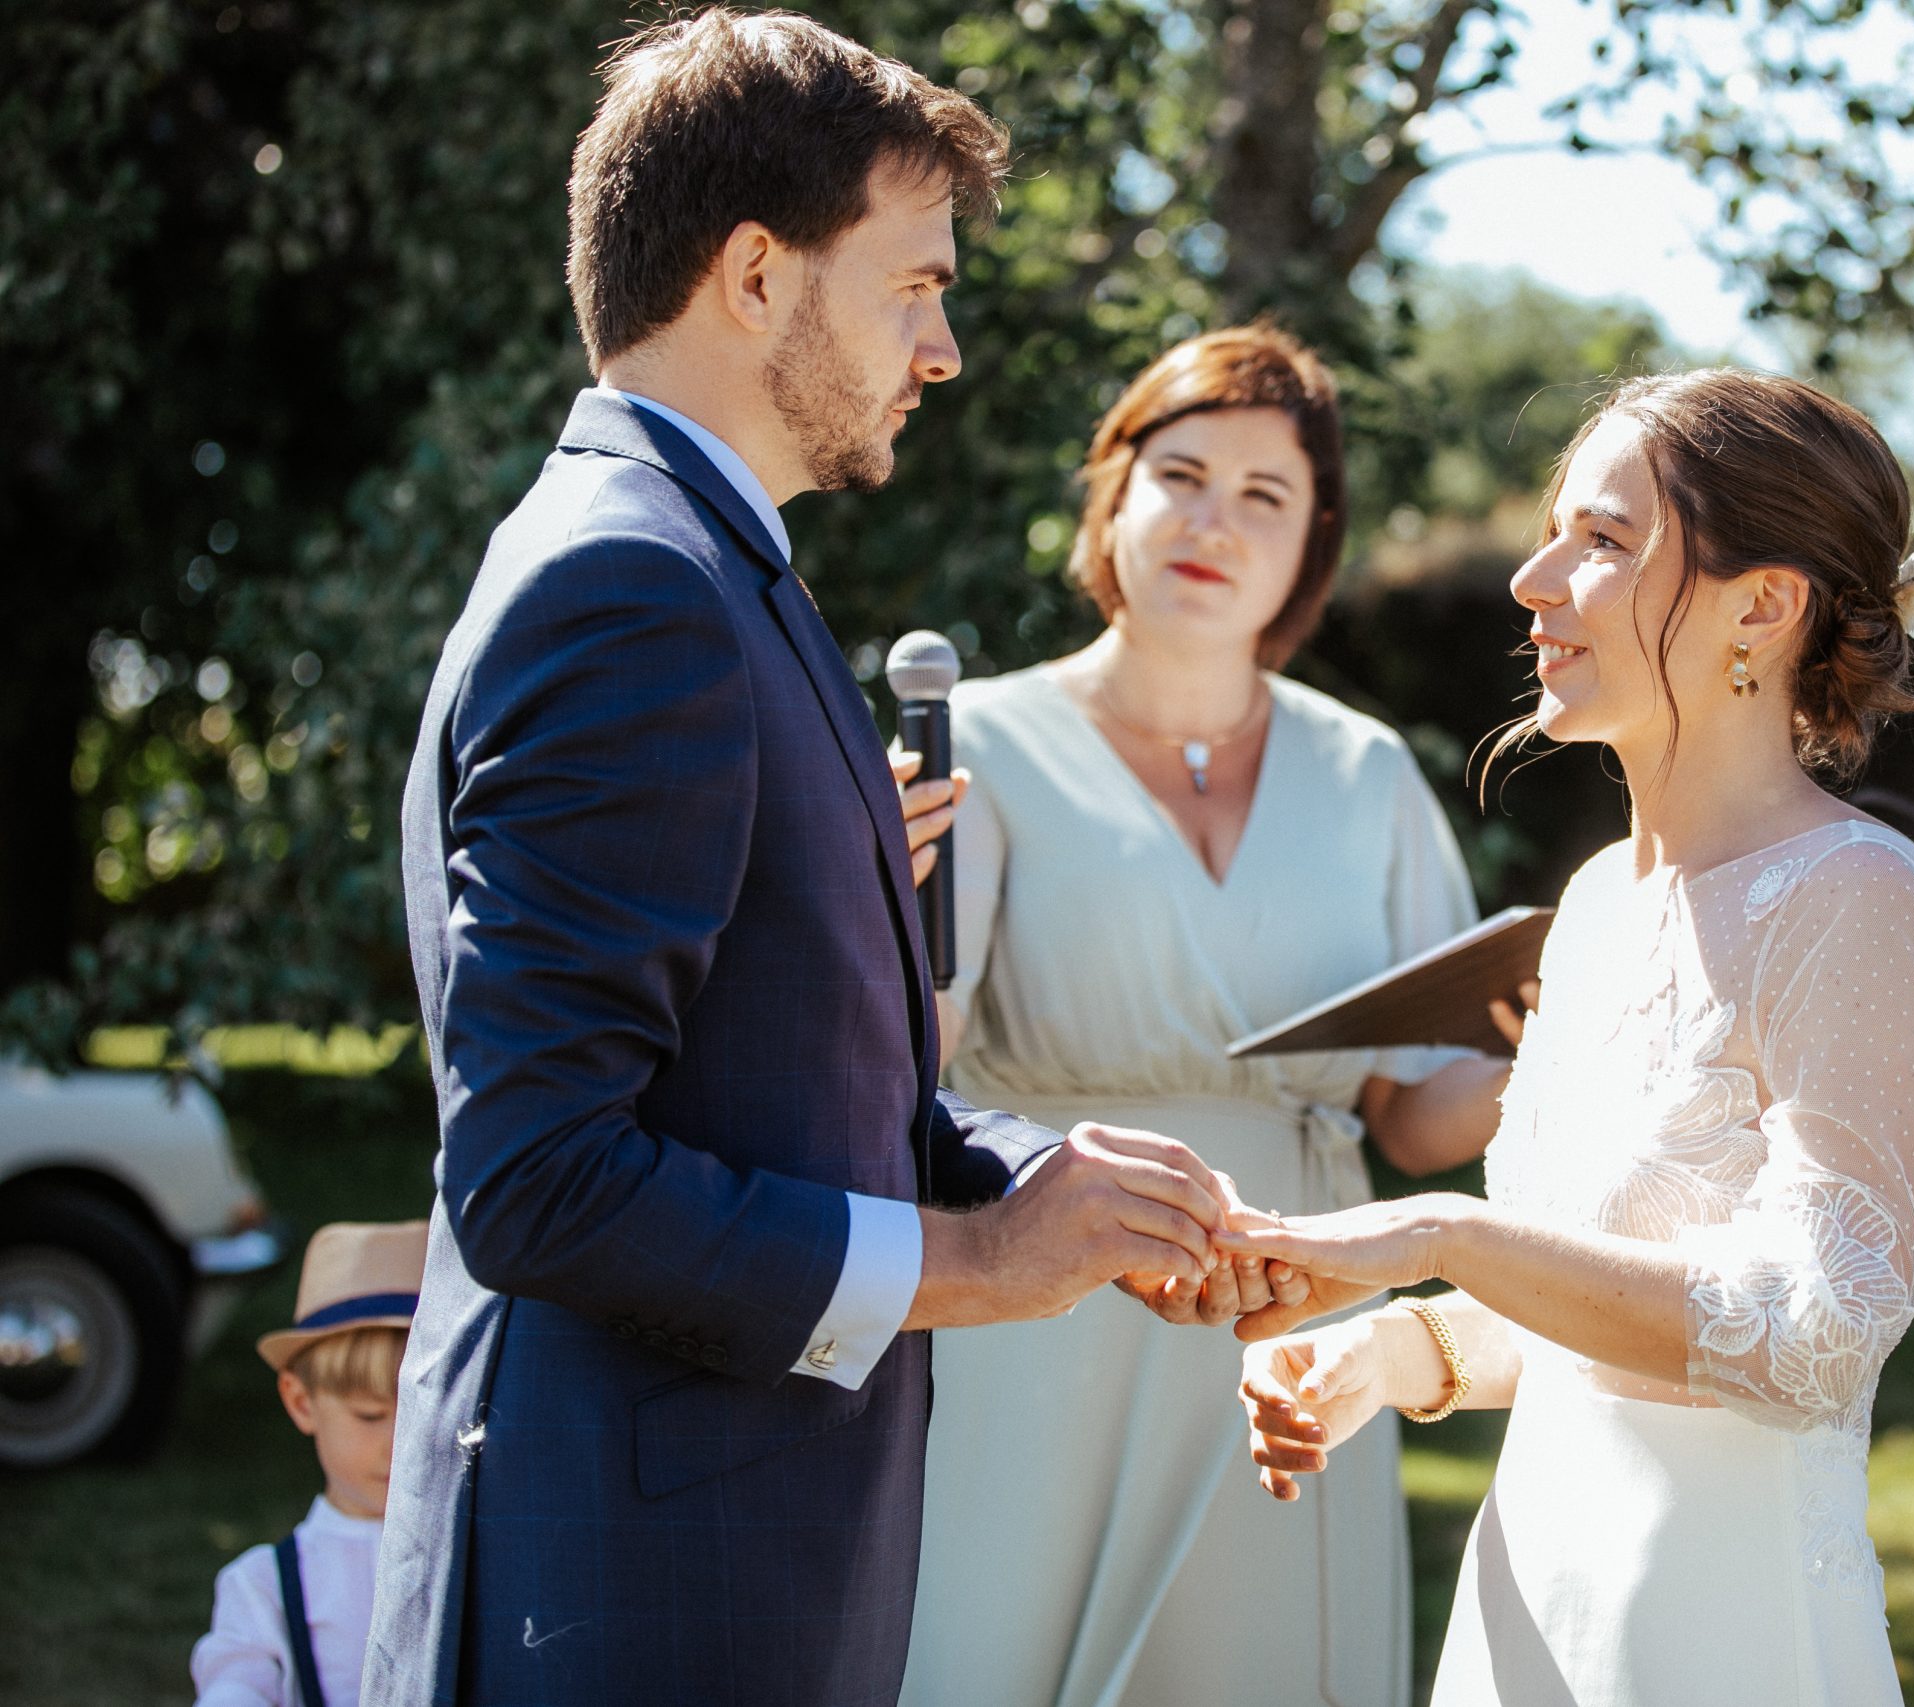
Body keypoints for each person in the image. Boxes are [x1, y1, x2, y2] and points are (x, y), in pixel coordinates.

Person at [368, 15, 1277, 1706]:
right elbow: (540, 1176)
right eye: (913, 286)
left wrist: (1046, 1186)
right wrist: (983, 1268)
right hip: (637, 1596)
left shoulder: (713, 569)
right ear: (758, 275)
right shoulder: (630, 590)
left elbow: (783, 1079)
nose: (939, 350)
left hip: (728, 1558)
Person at [1221, 367, 1914, 1705]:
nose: (1532, 576)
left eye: (1606, 539)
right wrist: (1401, 1353)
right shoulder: (1591, 906)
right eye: (1556, 527)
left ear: (1764, 603)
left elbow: (1813, 1333)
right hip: (1532, 1599)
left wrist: (1436, 1232)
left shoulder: (1857, 895)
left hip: (1716, 1626)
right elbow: (1611, 1298)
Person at [899, 325, 1514, 1707]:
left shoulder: (1367, 774)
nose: (1213, 523)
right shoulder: (974, 751)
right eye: (1181, 473)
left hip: (1289, 1319)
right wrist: (864, 905)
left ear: (1313, 545)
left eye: (1265, 496)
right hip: (1044, 1306)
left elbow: (1415, 1121)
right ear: (1111, 494)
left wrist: (1542, 1040)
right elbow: (905, 1072)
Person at [191, 1220, 428, 1707]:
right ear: (301, 1403)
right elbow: (235, 1684)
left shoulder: (488, 1553)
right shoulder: (265, 1587)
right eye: (370, 1415)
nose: (400, 1444)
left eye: (424, 1417)